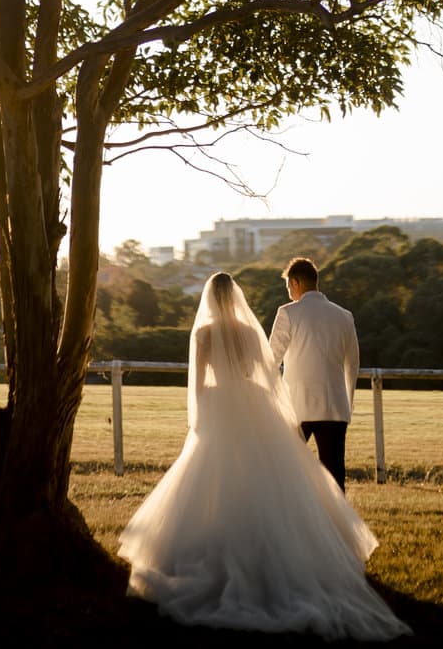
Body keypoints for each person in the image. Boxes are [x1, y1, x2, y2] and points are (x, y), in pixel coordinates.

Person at [118, 272, 408, 639]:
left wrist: (203, 416)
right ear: (236, 296)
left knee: (217, 474)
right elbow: (269, 374)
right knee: (275, 474)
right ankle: (303, 540)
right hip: (256, 401)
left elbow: (199, 384)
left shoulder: (204, 334)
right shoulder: (250, 331)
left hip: (220, 403)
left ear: (210, 297)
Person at [269, 256, 359, 490]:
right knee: (334, 474)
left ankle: (293, 518)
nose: (289, 292)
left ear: (296, 282)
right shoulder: (344, 315)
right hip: (335, 406)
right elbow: (352, 364)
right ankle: (337, 523)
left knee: (288, 468)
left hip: (298, 405)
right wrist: (347, 405)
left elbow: (271, 360)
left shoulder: (288, 313)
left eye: (288, 286)